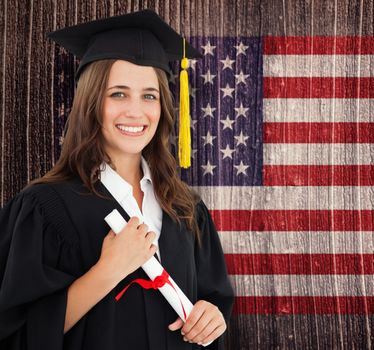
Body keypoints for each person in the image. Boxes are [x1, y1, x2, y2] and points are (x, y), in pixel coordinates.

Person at [0, 9, 234, 350]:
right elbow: (15, 332)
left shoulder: (186, 209)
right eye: (118, 94)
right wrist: (109, 269)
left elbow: (212, 301)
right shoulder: (44, 208)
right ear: (91, 102)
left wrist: (212, 317)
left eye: (149, 95)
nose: (135, 111)